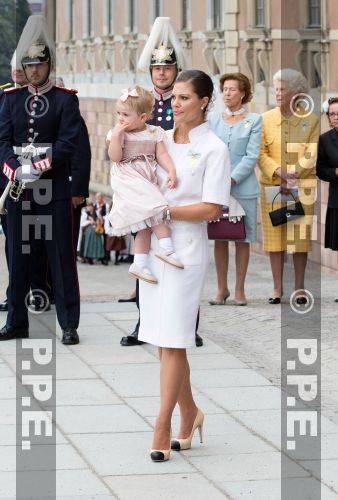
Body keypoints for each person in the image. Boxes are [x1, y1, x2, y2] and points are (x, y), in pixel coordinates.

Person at [138, 69, 231, 461]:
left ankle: (161, 423)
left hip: (187, 251)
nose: (175, 104)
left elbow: (212, 207)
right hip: (153, 249)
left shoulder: (215, 149)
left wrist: (165, 211)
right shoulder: (158, 140)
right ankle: (189, 411)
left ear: (204, 101)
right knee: (163, 340)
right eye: (173, 97)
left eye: (184, 98)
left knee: (175, 338)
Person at [0, 15, 81, 344]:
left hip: (54, 190)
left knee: (60, 258)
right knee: (17, 258)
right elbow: (2, 141)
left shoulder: (65, 98)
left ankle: (68, 324)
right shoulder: (10, 99)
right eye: (29, 65)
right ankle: (17, 321)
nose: (34, 71)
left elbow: (68, 143)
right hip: (20, 190)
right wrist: (15, 170)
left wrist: (41, 165)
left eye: (39, 65)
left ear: (49, 66)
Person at [108, 85, 183, 284]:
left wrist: (172, 171)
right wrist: (116, 136)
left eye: (125, 114)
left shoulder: (154, 132)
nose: (120, 118)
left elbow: (162, 154)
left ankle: (139, 263)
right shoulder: (118, 133)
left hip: (146, 178)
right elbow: (115, 157)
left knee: (145, 223)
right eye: (118, 113)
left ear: (142, 117)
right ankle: (167, 249)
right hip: (127, 177)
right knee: (158, 208)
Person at [258, 69, 319, 304]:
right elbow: (261, 152)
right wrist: (278, 173)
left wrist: (292, 175)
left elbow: (312, 153)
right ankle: (276, 289)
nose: (278, 93)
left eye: (283, 89)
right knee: (275, 240)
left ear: (297, 93)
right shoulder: (265, 119)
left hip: (300, 188)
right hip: (272, 187)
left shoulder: (311, 121)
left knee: (299, 240)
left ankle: (300, 288)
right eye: (276, 89)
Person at [208, 73, 262, 306]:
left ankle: (240, 289)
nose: (227, 93)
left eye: (232, 89)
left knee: (243, 239)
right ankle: (222, 289)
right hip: (216, 188)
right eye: (225, 89)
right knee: (219, 237)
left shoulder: (254, 120)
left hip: (244, 189)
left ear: (243, 93)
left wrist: (231, 179)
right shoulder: (212, 119)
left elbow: (252, 155)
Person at [0, 60, 28, 312]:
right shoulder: (4, 94)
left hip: (32, 180)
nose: (18, 70)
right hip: (6, 183)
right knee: (12, 242)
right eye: (15, 66)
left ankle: (39, 291)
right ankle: (14, 295)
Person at [316, 97, 338, 301]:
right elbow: (320, 170)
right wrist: (335, 172)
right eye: (332, 114)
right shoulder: (325, 139)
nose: (336, 117)